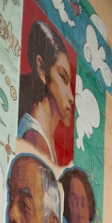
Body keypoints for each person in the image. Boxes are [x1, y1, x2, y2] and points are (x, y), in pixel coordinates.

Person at [18, 20, 74, 165]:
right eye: (62, 77)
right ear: (42, 69)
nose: (71, 97)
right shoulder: (34, 138)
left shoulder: (45, 139)